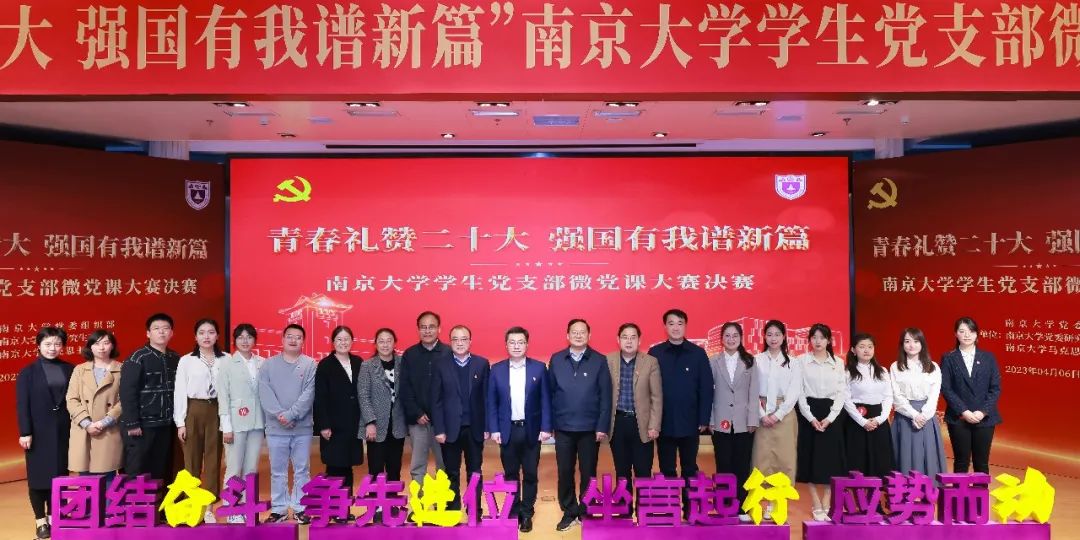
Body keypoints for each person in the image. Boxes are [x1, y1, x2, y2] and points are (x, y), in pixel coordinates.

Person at [648, 309, 713, 520]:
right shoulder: (655, 353)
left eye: (680, 323)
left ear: (685, 326)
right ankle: (671, 509)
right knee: (667, 468)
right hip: (664, 422)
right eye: (671, 323)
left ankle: (690, 508)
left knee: (690, 468)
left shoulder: (698, 353)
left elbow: (706, 388)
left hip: (690, 422)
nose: (676, 327)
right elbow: (648, 389)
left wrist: (704, 419)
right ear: (665, 326)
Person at [548, 319, 612, 531]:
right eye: (574, 332)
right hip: (563, 428)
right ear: (567, 336)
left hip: (590, 429)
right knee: (565, 472)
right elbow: (549, 394)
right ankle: (569, 511)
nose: (578, 335)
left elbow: (605, 396)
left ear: (589, 335)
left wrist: (602, 426)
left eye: (582, 332)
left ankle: (585, 511)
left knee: (588, 472)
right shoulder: (557, 359)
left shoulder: (599, 360)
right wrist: (550, 425)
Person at [487, 327, 551, 533]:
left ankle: (527, 513)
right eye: (512, 342)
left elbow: (546, 400)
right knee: (511, 474)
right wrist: (494, 428)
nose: (516, 346)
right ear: (506, 345)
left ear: (527, 344)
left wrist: (546, 427)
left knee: (530, 474)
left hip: (531, 430)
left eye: (520, 342)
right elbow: (491, 402)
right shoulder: (496, 370)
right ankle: (514, 511)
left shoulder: (539, 368)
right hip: (508, 430)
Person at [18, 326, 75, 540]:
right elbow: (22, 405)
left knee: (59, 475)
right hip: (37, 432)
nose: (53, 348)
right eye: (48, 344)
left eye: (57, 344)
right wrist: (25, 432)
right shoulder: (28, 372)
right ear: (39, 345)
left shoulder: (70, 369)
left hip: (63, 431)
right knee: (38, 477)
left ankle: (54, 517)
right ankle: (40, 521)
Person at [119, 313, 180, 513]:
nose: (161, 332)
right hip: (142, 425)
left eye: (165, 328)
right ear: (148, 333)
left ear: (171, 333)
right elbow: (127, 393)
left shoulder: (175, 358)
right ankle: (136, 511)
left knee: (161, 468)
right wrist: (132, 423)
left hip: (165, 424)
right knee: (137, 469)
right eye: (156, 328)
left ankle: (157, 511)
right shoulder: (137, 358)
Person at [258, 324, 316, 524]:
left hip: (302, 428)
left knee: (302, 470)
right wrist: (280, 415)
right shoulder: (268, 365)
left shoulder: (310, 364)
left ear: (303, 341)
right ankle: (279, 509)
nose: (293, 340)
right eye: (289, 336)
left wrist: (291, 415)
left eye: (298, 337)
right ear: (282, 339)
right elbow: (264, 392)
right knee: (277, 471)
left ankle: (301, 507)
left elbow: (309, 394)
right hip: (276, 428)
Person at [605, 323, 661, 514]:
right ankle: (625, 510)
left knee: (643, 471)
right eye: (625, 337)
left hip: (642, 424)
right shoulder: (608, 360)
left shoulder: (650, 362)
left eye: (633, 337)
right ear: (618, 339)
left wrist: (654, 425)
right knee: (622, 471)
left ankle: (644, 510)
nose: (629, 341)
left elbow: (656, 397)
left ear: (639, 340)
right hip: (618, 423)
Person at [431, 325, 489, 511]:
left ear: (470, 341)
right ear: (450, 342)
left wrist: (487, 426)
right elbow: (436, 400)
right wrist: (439, 429)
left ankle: (474, 509)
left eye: (464, 339)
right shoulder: (440, 364)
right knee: (451, 472)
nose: (460, 343)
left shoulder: (482, 364)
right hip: (449, 430)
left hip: (474, 428)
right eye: (455, 339)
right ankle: (452, 508)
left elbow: (486, 398)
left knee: (475, 472)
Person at [174, 318, 226, 523]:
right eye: (202, 332)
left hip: (217, 410)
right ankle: (192, 507)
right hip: (193, 410)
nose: (206, 336)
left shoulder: (226, 359)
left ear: (217, 336)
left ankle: (209, 508)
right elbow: (179, 391)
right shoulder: (186, 360)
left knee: (213, 461)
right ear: (195, 337)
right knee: (191, 461)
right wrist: (180, 422)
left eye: (211, 332)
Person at [796, 323, 848, 522]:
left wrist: (831, 417)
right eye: (814, 337)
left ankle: (827, 500)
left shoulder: (838, 362)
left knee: (830, 459)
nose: (818, 341)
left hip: (831, 413)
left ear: (829, 340)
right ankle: (816, 502)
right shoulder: (801, 361)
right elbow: (799, 391)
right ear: (809, 340)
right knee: (808, 457)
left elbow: (841, 392)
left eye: (822, 337)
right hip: (808, 412)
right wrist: (810, 417)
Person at [707, 322, 759, 521]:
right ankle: (724, 506)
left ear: (741, 338)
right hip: (720, 421)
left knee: (742, 465)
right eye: (727, 336)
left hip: (743, 422)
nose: (731, 339)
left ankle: (742, 507)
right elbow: (709, 393)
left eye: (735, 335)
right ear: (722, 339)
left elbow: (754, 392)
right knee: (723, 465)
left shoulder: (749, 361)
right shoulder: (713, 361)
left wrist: (753, 419)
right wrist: (711, 420)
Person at [751, 320, 802, 520]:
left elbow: (794, 392)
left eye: (777, 334)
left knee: (784, 460)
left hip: (785, 416)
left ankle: (776, 504)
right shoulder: (756, 360)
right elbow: (752, 389)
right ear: (764, 336)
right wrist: (762, 414)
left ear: (784, 337)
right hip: (761, 414)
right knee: (760, 459)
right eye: (769, 334)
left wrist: (778, 415)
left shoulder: (793, 362)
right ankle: (759, 503)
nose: (773, 338)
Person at [216, 323, 265, 524]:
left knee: (251, 468)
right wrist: (226, 427)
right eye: (241, 337)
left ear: (255, 340)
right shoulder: (226, 364)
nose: (245, 341)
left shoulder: (262, 362)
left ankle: (246, 507)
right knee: (234, 467)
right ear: (234, 341)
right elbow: (223, 396)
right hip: (235, 424)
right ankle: (231, 508)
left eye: (249, 337)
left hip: (257, 422)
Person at [940, 317, 1002, 474]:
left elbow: (995, 388)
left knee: (982, 463)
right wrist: (964, 411)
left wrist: (982, 412)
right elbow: (946, 388)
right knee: (961, 462)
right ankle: (959, 492)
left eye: (971, 331)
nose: (967, 335)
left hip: (984, 418)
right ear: (955, 334)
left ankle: (980, 492)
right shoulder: (949, 358)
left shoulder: (988, 358)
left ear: (977, 334)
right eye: (962, 331)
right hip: (959, 418)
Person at [314, 325, 363, 523]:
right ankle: (334, 509)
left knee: (348, 467)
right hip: (333, 426)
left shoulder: (358, 362)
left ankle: (344, 509)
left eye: (346, 339)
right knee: (335, 468)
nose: (343, 343)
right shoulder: (325, 365)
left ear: (352, 341)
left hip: (353, 424)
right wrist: (323, 425)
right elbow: (320, 398)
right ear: (333, 342)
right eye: (339, 339)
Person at [358, 328, 407, 523]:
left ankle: (392, 503)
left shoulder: (403, 363)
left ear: (395, 343)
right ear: (375, 344)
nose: (385, 344)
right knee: (376, 467)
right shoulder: (368, 366)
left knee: (394, 467)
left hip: (397, 425)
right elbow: (363, 395)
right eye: (381, 341)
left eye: (389, 340)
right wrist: (369, 422)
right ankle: (376, 505)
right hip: (376, 426)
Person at [66, 330, 123, 484]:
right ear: (90, 347)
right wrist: (87, 423)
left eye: (106, 343)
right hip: (84, 430)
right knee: (85, 480)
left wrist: (104, 422)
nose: (101, 347)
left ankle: (108, 502)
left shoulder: (122, 369)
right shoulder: (79, 369)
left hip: (108, 429)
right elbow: (71, 399)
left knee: (108, 478)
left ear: (112, 346)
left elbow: (125, 401)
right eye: (97, 343)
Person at [399, 311, 448, 490]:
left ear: (439, 329)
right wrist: (417, 413)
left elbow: (452, 390)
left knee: (444, 464)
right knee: (418, 465)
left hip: (442, 422)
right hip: (418, 421)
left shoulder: (448, 353)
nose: (427, 331)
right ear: (418, 330)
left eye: (431, 327)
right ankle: (418, 502)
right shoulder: (410, 354)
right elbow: (405, 388)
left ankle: (442, 501)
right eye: (423, 327)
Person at [890, 327, 947, 478]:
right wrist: (914, 415)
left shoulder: (933, 367)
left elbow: (934, 395)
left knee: (927, 454)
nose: (911, 345)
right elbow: (896, 395)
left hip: (926, 417)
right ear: (902, 344)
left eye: (916, 341)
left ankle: (927, 488)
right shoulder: (895, 367)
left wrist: (924, 415)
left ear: (922, 343)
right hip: (904, 416)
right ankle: (904, 488)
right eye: (907, 341)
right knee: (904, 455)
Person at [842, 334, 895, 479]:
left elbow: (888, 396)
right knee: (858, 458)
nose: (866, 350)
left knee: (881, 458)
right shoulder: (847, 372)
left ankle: (878, 490)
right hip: (856, 419)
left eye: (870, 347)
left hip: (879, 419)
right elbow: (846, 399)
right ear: (853, 350)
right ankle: (858, 490)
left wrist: (880, 419)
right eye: (862, 346)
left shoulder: (882, 371)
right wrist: (862, 421)